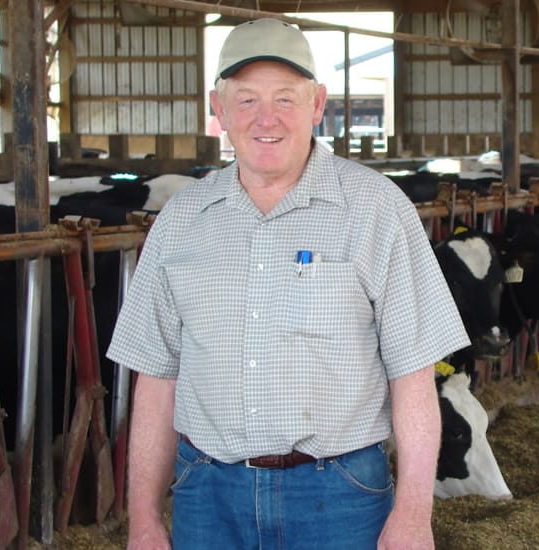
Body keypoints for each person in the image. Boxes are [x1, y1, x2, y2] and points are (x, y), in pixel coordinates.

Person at [107, 18, 470, 550]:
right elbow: (157, 381)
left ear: (318, 105)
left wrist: (414, 514)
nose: (266, 119)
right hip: (207, 494)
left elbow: (412, 376)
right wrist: (142, 517)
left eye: (285, 98)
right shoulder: (180, 221)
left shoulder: (376, 210)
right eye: (247, 100)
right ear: (219, 109)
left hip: (340, 494)